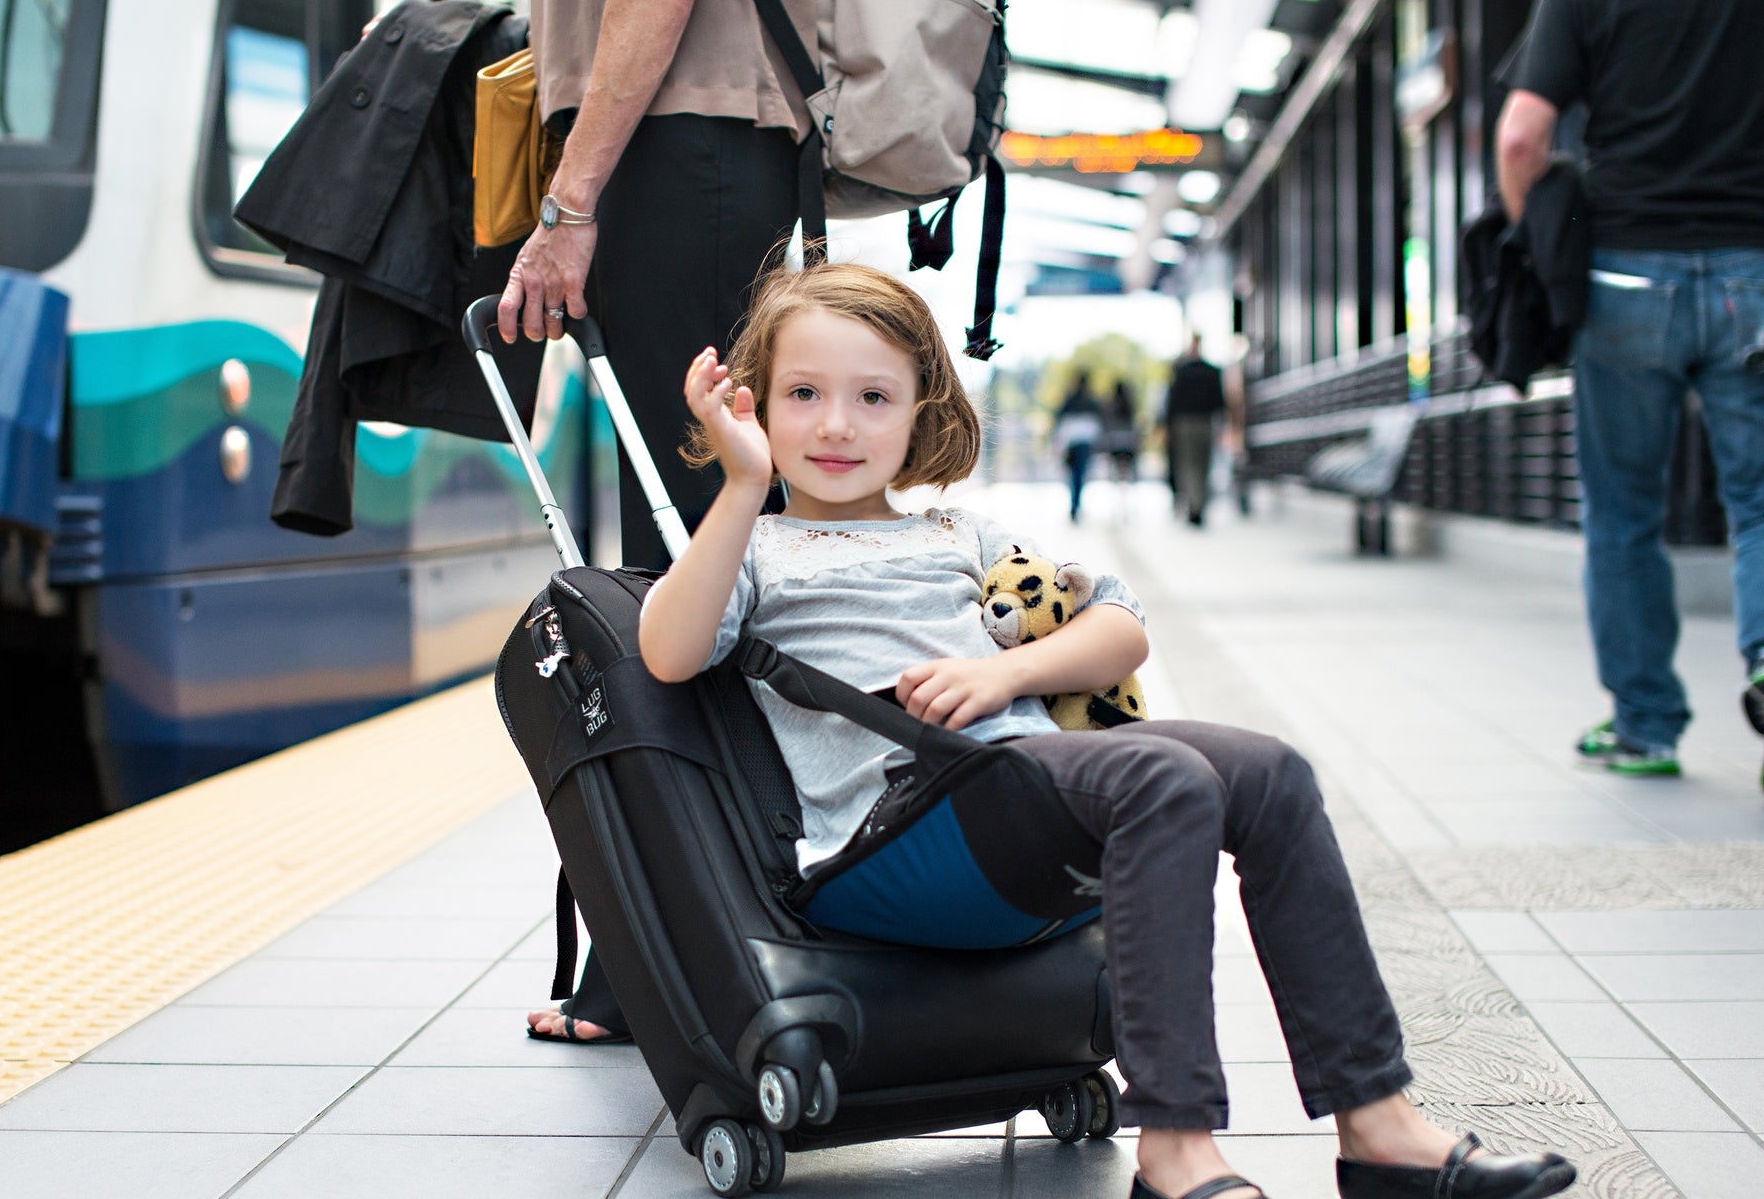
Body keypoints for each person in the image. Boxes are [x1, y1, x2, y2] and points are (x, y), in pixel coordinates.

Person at [643, 259, 1576, 1199]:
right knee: (1165, 782)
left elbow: (1119, 624)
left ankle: (1379, 1130)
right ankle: (1174, 1150)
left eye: (873, 397)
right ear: (754, 404)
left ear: (922, 412)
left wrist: (1002, 671)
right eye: (804, 394)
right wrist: (739, 487)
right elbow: (669, 651)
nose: (837, 424)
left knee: (1271, 773)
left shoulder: (963, 535)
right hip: (895, 842)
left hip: (1018, 794)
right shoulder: (753, 551)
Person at [498, 0, 817, 1043]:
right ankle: (695, 936)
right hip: (695, 156)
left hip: (675, 156)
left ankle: (688, 954)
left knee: (685, 570)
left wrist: (568, 205)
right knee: (693, 553)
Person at [1496, 0, 1764, 779]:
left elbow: (1521, 136)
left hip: (1623, 274)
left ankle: (1645, 727)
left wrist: (1531, 242)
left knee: (1623, 511)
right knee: (1759, 500)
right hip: (1753, 272)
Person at [1164, 335, 1228, 528]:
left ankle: (1194, 504)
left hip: (1184, 424)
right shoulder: (1212, 371)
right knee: (1202, 465)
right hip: (1205, 422)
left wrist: (1168, 427)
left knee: (1188, 465)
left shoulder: (1181, 371)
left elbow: (1172, 402)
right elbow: (1219, 401)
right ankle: (1198, 504)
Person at [1052, 375, 1102, 522]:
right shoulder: (1091, 402)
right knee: (1079, 475)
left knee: (1074, 475)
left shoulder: (1070, 400)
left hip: (1072, 443)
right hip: (1083, 443)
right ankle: (1076, 505)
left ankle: (1074, 505)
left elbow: (1060, 419)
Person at [1102, 378, 1141, 509]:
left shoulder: (1110, 405)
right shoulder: (1130, 404)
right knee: (1126, 470)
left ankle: (1119, 491)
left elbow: (1107, 425)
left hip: (1115, 442)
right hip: (1128, 442)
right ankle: (1126, 491)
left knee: (1117, 470)